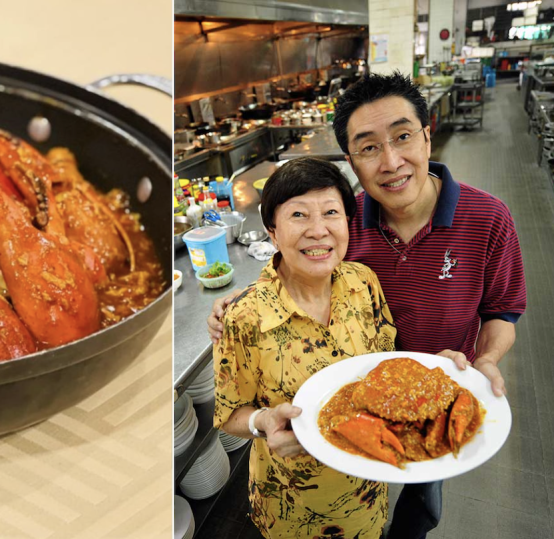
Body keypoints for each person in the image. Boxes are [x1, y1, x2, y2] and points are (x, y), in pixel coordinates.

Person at [208, 71, 527, 539]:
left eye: (402, 136)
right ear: (352, 159)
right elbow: (302, 260)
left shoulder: (489, 218)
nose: (392, 161)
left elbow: (503, 309)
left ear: (426, 134)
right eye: (369, 147)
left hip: (440, 391)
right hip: (341, 428)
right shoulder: (345, 224)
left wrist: (485, 361)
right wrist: (238, 304)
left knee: (423, 494)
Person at [214, 157, 397, 538]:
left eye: (332, 213)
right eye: (299, 215)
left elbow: (384, 366)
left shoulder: (364, 283)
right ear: (273, 232)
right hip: (290, 507)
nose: (319, 231)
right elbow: (230, 413)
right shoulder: (244, 315)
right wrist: (261, 423)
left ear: (348, 222)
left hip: (366, 488)